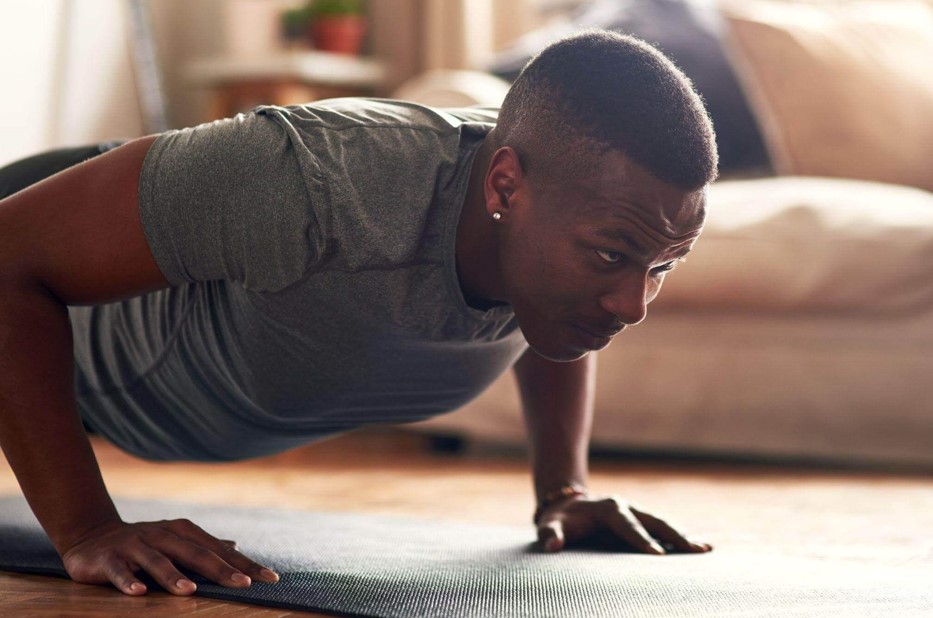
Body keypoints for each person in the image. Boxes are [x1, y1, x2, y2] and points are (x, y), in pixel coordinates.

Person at [0, 30, 717, 597]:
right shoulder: (313, 181)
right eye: (610, 256)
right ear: (505, 190)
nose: (632, 305)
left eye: (661, 265)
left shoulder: (555, 209)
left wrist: (563, 489)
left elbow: (557, 316)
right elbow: (8, 258)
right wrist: (86, 528)